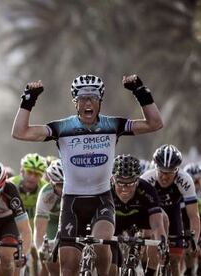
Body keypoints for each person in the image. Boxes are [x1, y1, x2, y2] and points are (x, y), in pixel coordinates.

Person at [11, 74, 163, 276]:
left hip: (101, 200)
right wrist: (28, 99)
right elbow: (20, 132)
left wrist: (140, 92)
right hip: (72, 203)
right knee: (68, 268)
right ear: (75, 102)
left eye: (93, 97)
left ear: (100, 101)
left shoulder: (112, 125)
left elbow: (155, 123)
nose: (88, 102)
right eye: (82, 98)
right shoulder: (63, 128)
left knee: (102, 247)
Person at [141, 144, 200, 276]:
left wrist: (194, 239)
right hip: (152, 215)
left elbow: (193, 215)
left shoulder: (185, 180)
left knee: (174, 261)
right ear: (155, 167)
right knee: (153, 249)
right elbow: (140, 211)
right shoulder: (146, 179)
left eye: (170, 173)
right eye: (161, 171)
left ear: (177, 170)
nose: (165, 177)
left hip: (174, 213)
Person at [110, 154, 168, 276]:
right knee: (111, 270)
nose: (125, 188)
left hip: (139, 218)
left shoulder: (147, 190)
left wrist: (161, 242)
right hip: (114, 220)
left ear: (137, 181)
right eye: (120, 183)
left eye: (130, 183)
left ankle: (151, 271)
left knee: (163, 217)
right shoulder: (105, 188)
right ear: (113, 179)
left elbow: (157, 224)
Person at [34, 159, 64, 276]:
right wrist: (40, 249)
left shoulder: (80, 189)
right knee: (48, 258)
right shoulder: (46, 194)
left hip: (74, 220)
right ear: (52, 183)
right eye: (60, 185)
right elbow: (40, 228)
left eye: (66, 184)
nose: (64, 189)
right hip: (54, 223)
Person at [181, 162, 201, 276]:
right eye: (192, 181)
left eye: (198, 181)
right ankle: (188, 270)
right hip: (187, 223)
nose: (195, 184)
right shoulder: (183, 191)